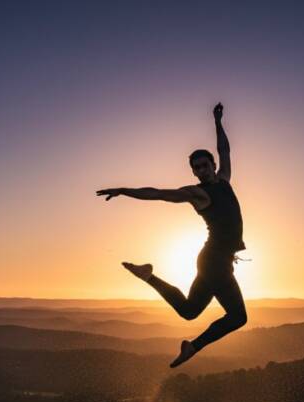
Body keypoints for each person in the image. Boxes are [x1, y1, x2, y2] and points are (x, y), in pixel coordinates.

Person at [97, 102, 247, 368]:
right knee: (237, 318)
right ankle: (194, 346)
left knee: (189, 311)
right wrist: (123, 190)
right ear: (194, 172)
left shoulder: (224, 180)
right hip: (214, 262)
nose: (201, 170)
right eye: (196, 168)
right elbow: (158, 193)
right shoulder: (197, 194)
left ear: (213, 165)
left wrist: (217, 121)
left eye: (204, 165)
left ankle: (148, 275)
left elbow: (225, 149)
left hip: (215, 261)